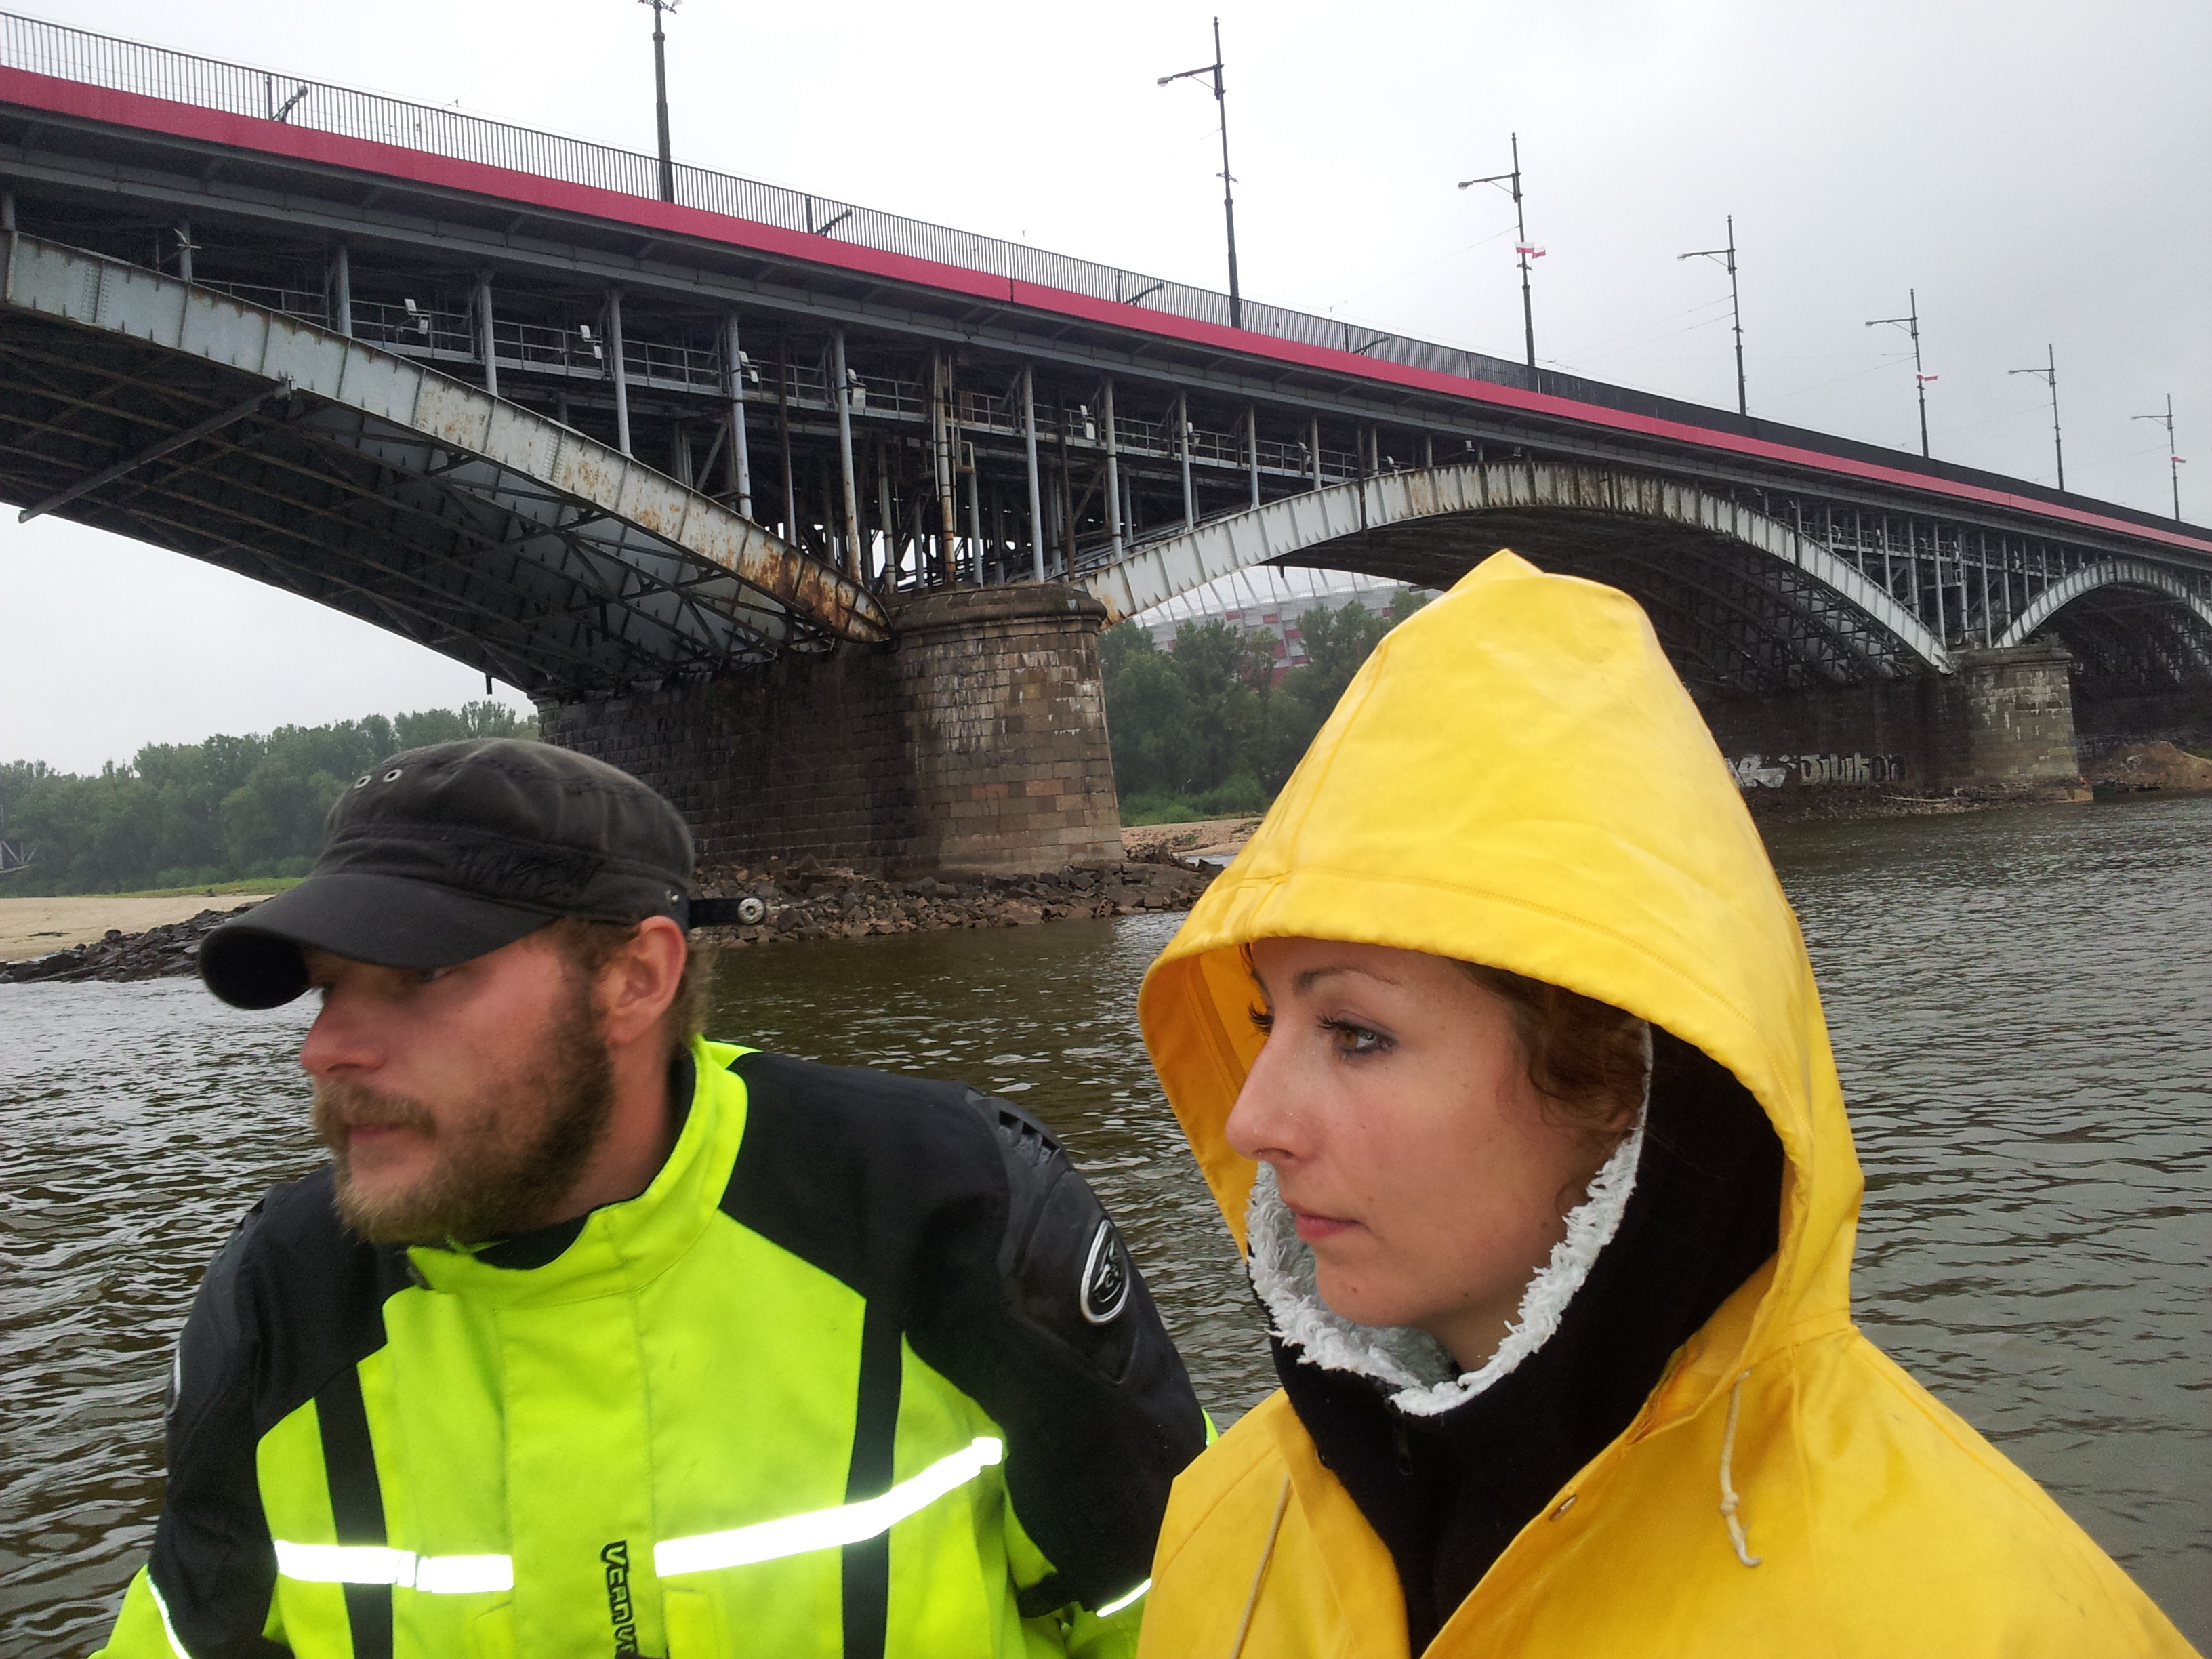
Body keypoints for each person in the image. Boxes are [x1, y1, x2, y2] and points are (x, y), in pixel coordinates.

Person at [1130, 552, 2194, 1657]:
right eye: (1264, 1021)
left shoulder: (1984, 1622)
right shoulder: (1224, 1527)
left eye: (1356, 1034)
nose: (1251, 1123)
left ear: (1613, 1074)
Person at [95, 738, 1204, 1659]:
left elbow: (1204, 1613)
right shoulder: (281, 1302)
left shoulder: (947, 1218)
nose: (327, 1050)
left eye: (422, 975)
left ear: (635, 979)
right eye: (329, 987)